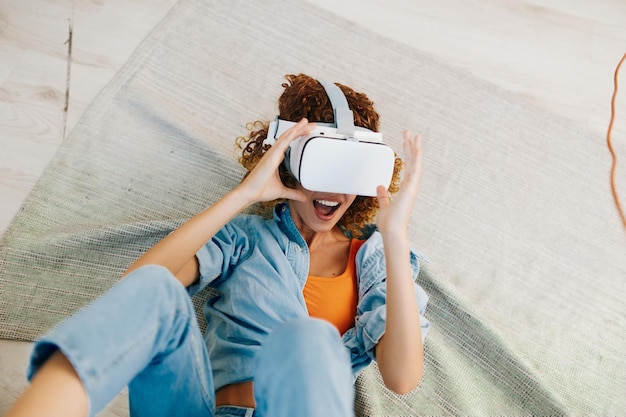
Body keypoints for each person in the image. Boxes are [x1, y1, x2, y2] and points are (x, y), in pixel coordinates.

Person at [4, 73, 430, 417]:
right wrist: (243, 195)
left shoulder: (375, 258)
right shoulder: (247, 237)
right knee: (155, 290)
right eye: (321, 164)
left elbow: (403, 377)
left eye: (348, 171)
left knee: (309, 339)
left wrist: (394, 235)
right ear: (288, 160)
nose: (333, 189)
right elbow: (139, 287)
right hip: (204, 408)